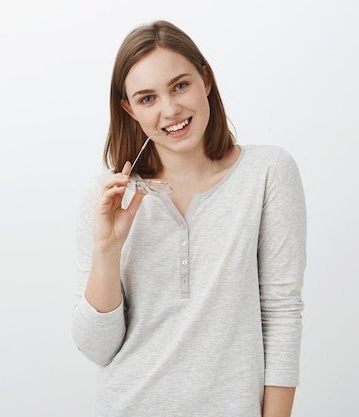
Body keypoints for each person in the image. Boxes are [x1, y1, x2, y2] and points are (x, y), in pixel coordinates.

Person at [71, 20, 306, 417]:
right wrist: (107, 251)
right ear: (129, 109)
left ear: (206, 80)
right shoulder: (106, 197)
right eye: (147, 98)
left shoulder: (267, 173)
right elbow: (96, 348)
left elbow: (281, 313)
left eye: (180, 85)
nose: (170, 109)